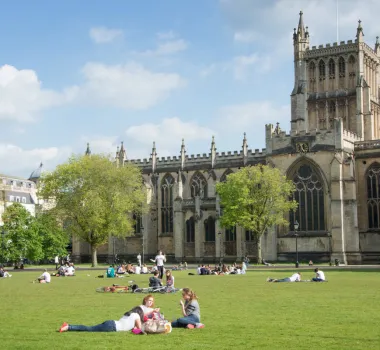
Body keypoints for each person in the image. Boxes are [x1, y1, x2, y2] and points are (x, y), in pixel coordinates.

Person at [59, 306, 144, 333]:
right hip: (112, 326)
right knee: (90, 329)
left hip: (111, 323)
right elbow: (139, 329)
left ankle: (68, 326)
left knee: (90, 328)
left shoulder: (128, 314)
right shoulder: (136, 315)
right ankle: (68, 327)